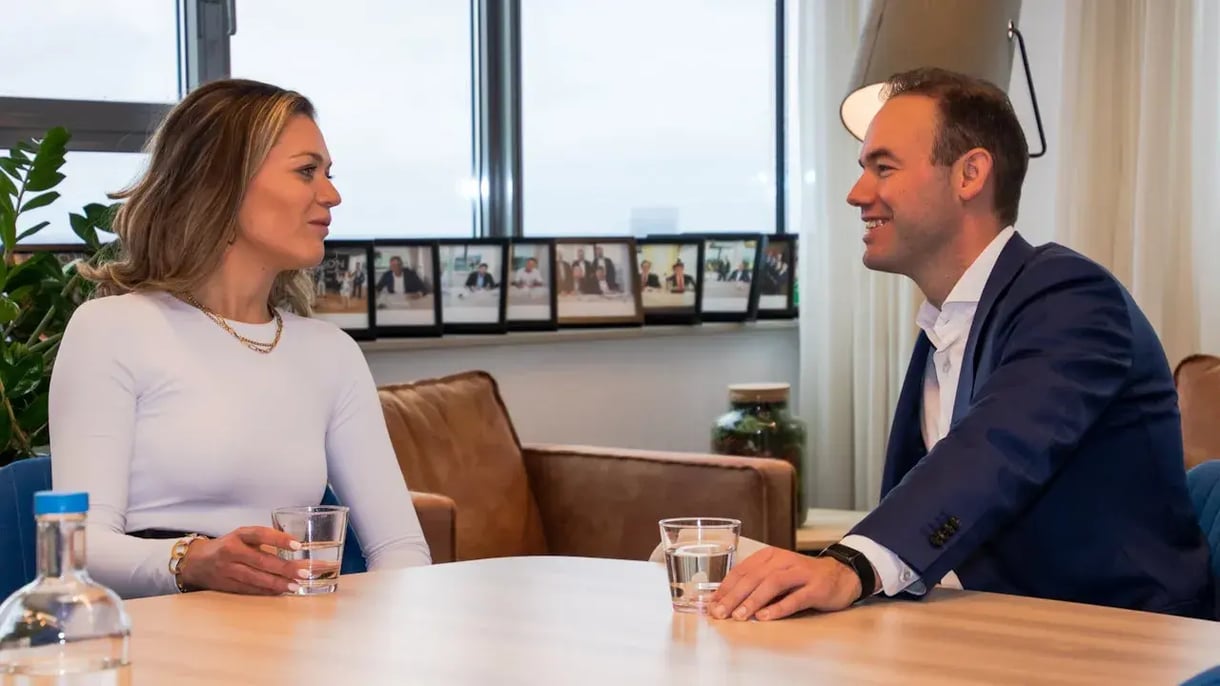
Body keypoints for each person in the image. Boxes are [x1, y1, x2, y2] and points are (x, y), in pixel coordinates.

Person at [710, 67, 1213, 621]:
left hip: (1126, 642)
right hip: (987, 630)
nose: (857, 194)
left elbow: (996, 450)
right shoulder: (946, 325)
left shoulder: (1072, 298)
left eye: (884, 168)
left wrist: (849, 565)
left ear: (970, 174)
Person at [48, 78, 432, 600]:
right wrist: (193, 560)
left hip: (296, 644)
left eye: (329, 173)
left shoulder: (330, 353)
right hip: (160, 641)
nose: (332, 195)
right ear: (223, 181)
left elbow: (400, 547)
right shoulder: (113, 330)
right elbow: (77, 545)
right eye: (306, 171)